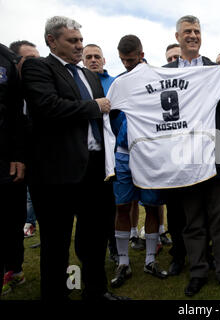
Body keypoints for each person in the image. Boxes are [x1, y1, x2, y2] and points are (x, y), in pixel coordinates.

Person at [20, 16, 127, 300]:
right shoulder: (37, 68)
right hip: (57, 172)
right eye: (73, 41)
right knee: (56, 242)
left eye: (81, 39)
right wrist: (93, 106)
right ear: (51, 41)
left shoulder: (90, 76)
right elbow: (48, 107)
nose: (80, 46)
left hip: (95, 170)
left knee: (94, 237)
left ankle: (96, 291)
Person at [162, 15, 220, 298]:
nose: (193, 35)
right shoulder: (164, 73)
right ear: (177, 36)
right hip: (184, 156)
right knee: (192, 220)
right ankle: (197, 272)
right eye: (188, 31)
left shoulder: (218, 68)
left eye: (197, 31)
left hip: (217, 151)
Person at [107, 35, 168, 288]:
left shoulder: (157, 77)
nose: (127, 65)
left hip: (150, 152)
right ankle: (123, 261)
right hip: (124, 152)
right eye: (123, 61)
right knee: (122, 206)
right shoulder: (119, 83)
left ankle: (151, 259)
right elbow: (109, 117)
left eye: (130, 60)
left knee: (152, 206)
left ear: (141, 54)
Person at [82, 43, 119, 264]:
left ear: (104, 60)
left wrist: (118, 143)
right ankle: (91, 255)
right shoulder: (76, 83)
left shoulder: (114, 83)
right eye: (89, 57)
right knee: (87, 211)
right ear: (83, 60)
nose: (93, 60)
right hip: (86, 155)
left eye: (97, 56)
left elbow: (123, 116)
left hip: (111, 154)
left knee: (110, 207)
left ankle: (115, 248)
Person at [0, 43, 27, 296]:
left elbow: (16, 111)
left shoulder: (6, 58)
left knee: (11, 217)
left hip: (5, 156)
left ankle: (13, 269)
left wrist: (18, 155)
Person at [8, 40, 40, 239]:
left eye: (38, 59)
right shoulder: (8, 95)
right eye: (29, 60)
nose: (36, 65)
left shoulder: (41, 93)